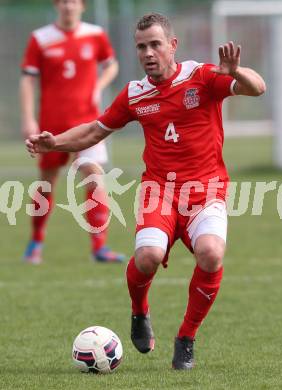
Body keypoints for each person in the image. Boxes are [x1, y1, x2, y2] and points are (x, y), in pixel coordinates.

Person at [26, 13, 266, 369]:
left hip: (206, 192)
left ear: (172, 45)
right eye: (141, 47)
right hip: (160, 193)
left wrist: (235, 73)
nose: (148, 53)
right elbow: (95, 131)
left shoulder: (201, 77)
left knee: (211, 253)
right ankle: (140, 312)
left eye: (155, 44)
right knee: (148, 256)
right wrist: (53, 142)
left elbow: (258, 87)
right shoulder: (136, 94)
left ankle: (186, 338)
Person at [20, 0, 125, 264]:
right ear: (57, 5)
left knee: (93, 176)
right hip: (51, 125)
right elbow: (27, 79)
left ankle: (99, 246)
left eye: (74, 1)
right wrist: (28, 118)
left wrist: (98, 87)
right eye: (64, 1)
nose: (69, 6)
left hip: (88, 124)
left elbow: (112, 65)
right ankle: (36, 242)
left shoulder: (95, 34)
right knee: (47, 182)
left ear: (83, 6)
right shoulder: (41, 38)